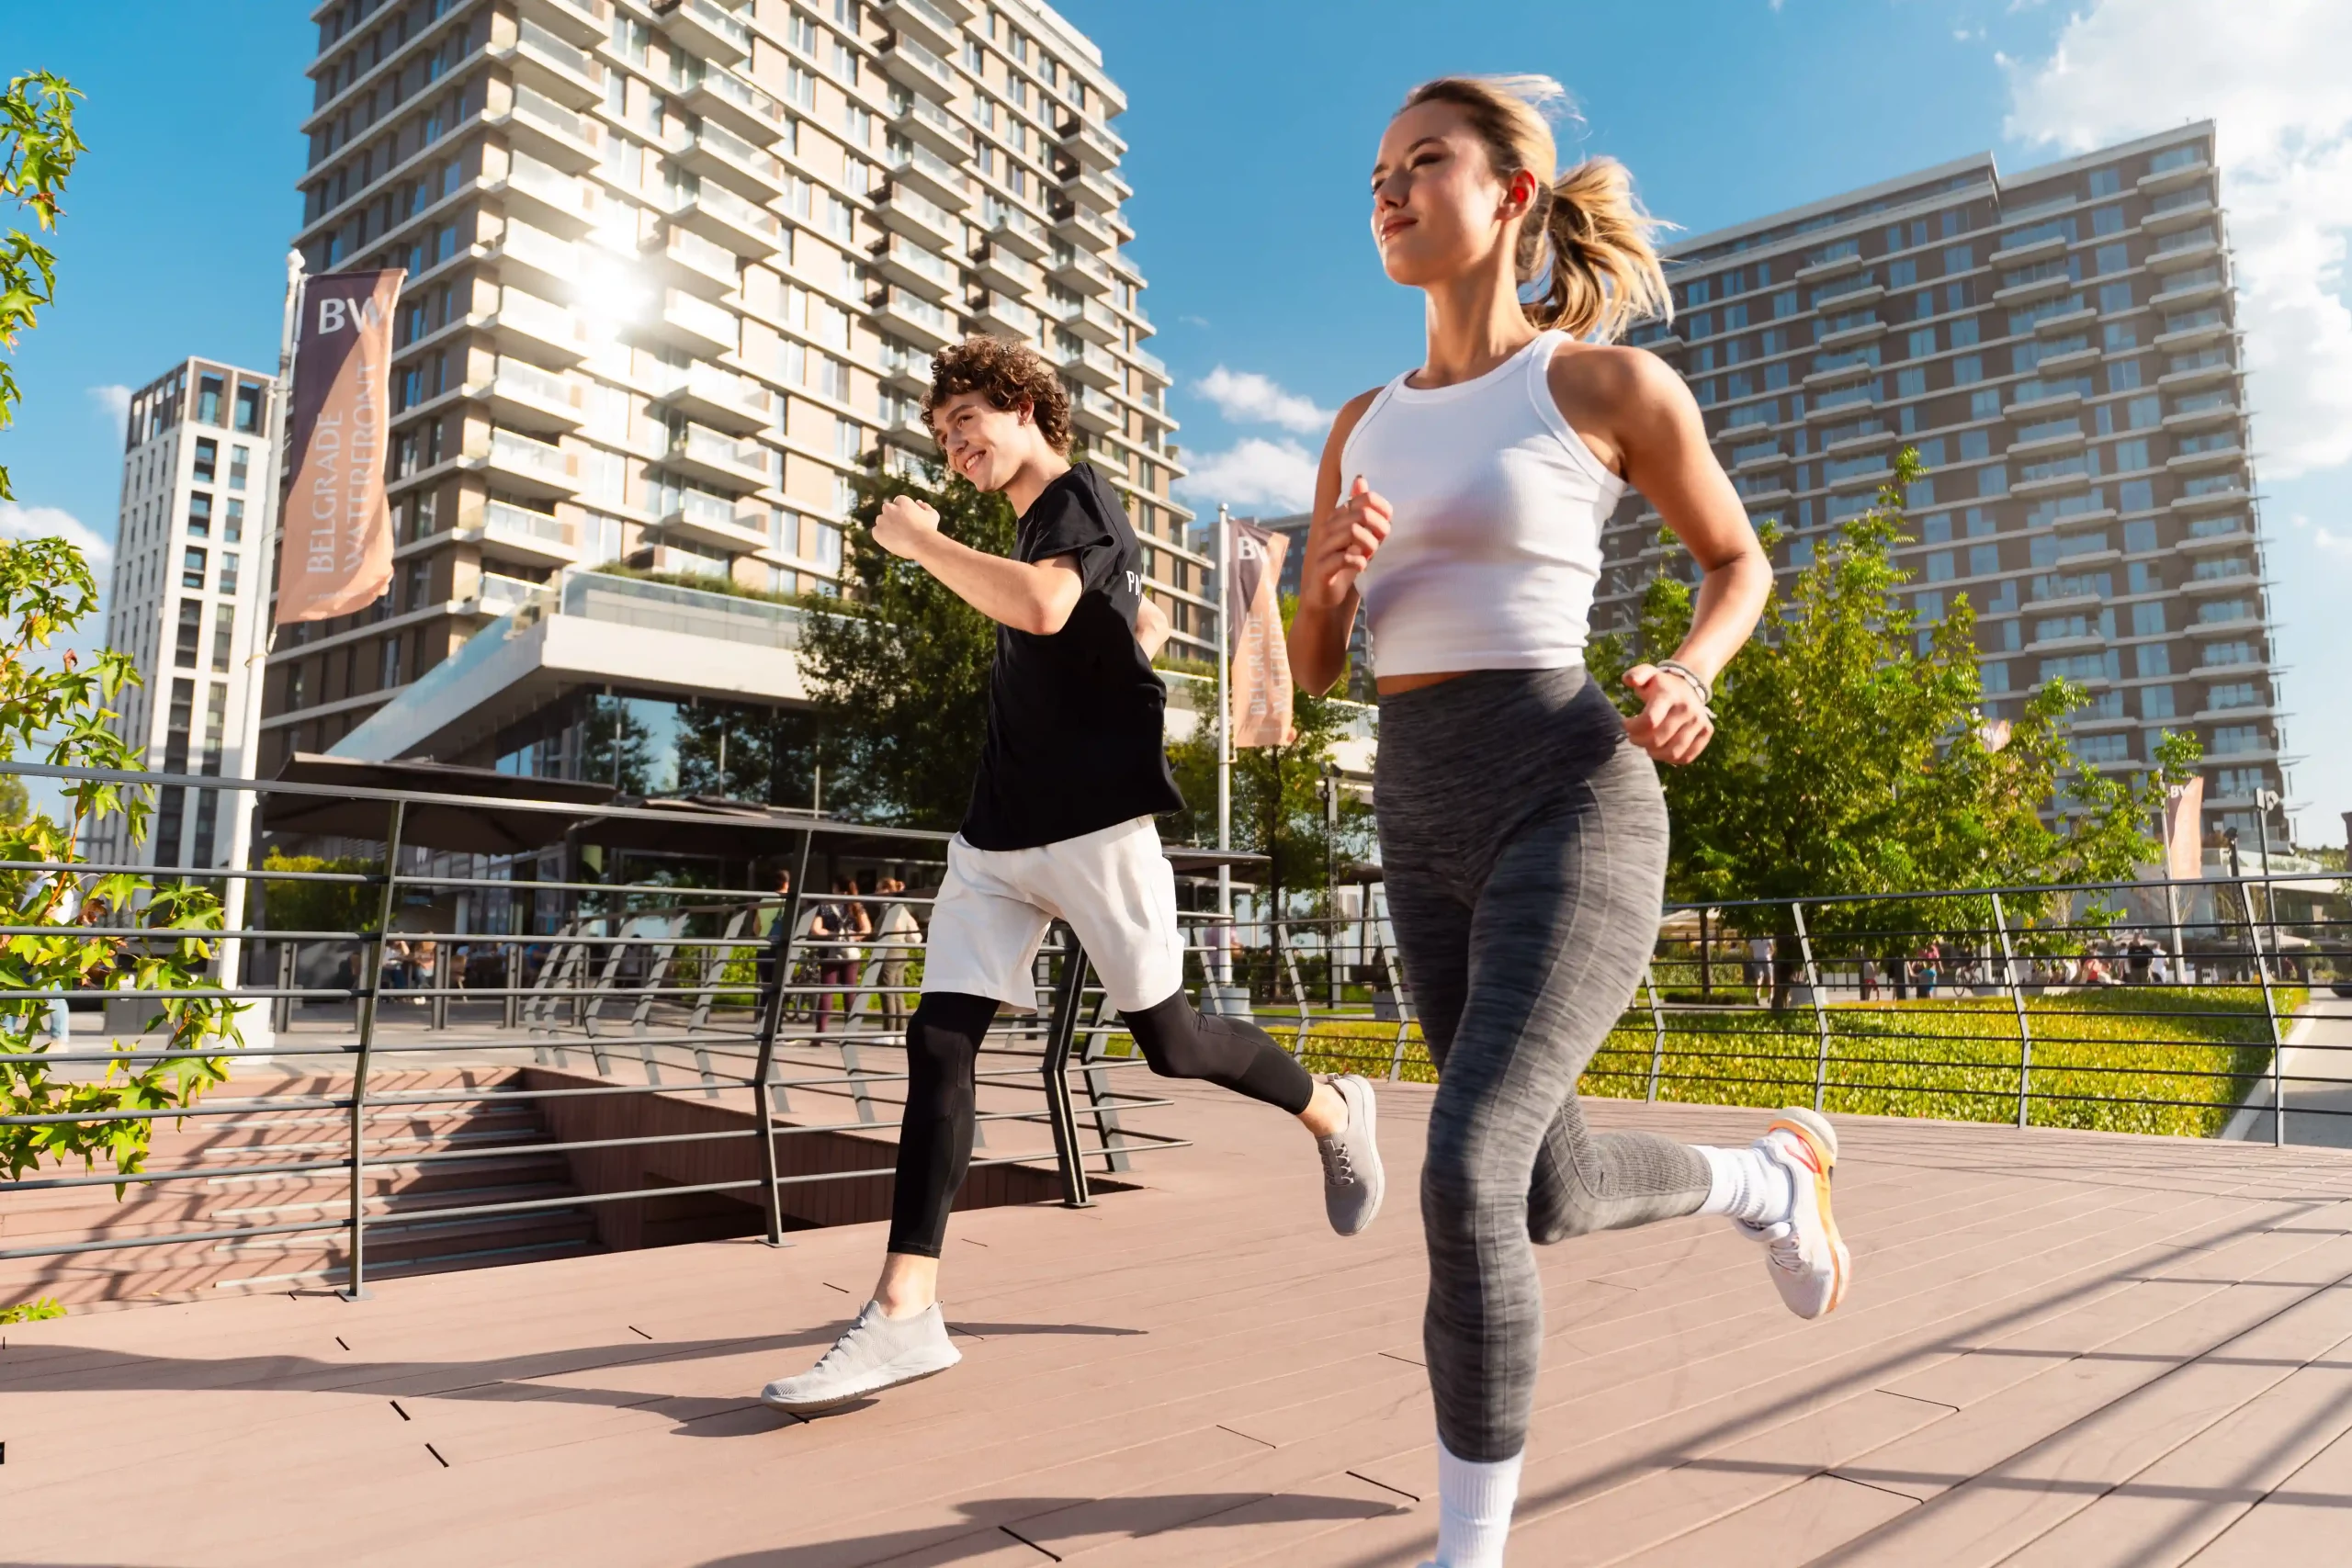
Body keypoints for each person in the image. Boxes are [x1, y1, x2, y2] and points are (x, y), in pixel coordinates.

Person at [1283, 76, 1847, 1568]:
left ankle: (1473, 1552)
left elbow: (1739, 565)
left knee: (1465, 1167)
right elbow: (1314, 674)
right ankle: (1769, 1179)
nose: (1390, 192)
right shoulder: (1359, 423)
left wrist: (1687, 673)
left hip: (1569, 792)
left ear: (1513, 194)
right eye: (1377, 176)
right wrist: (1324, 585)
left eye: (1425, 163)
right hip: (1419, 814)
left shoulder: (1603, 388)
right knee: (1542, 1184)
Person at [758, 335, 1383, 1415]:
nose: (954, 448)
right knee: (939, 1042)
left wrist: (919, 543)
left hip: (1094, 829)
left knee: (1174, 1042)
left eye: (967, 424)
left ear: (1023, 408)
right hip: (996, 837)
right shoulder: (1044, 531)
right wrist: (1125, 623)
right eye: (942, 437)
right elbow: (1085, 618)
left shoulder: (1077, 496)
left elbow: (1045, 606)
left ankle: (1332, 1109)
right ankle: (905, 1314)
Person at [811, 874, 870, 1033]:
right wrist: (851, 937)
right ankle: (850, 1032)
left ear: (836, 888)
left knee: (826, 992)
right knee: (850, 992)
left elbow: (816, 929)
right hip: (850, 954)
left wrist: (833, 935)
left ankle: (820, 1033)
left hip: (829, 952)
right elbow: (867, 929)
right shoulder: (856, 906)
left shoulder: (824, 906)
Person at [869, 875, 922, 1035]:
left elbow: (896, 926)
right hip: (902, 949)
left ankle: (889, 1032)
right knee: (897, 992)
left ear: (886, 890)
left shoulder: (888, 905)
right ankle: (901, 1031)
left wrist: (880, 932)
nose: (876, 892)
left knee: (887, 991)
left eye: (879, 889)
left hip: (889, 949)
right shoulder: (901, 906)